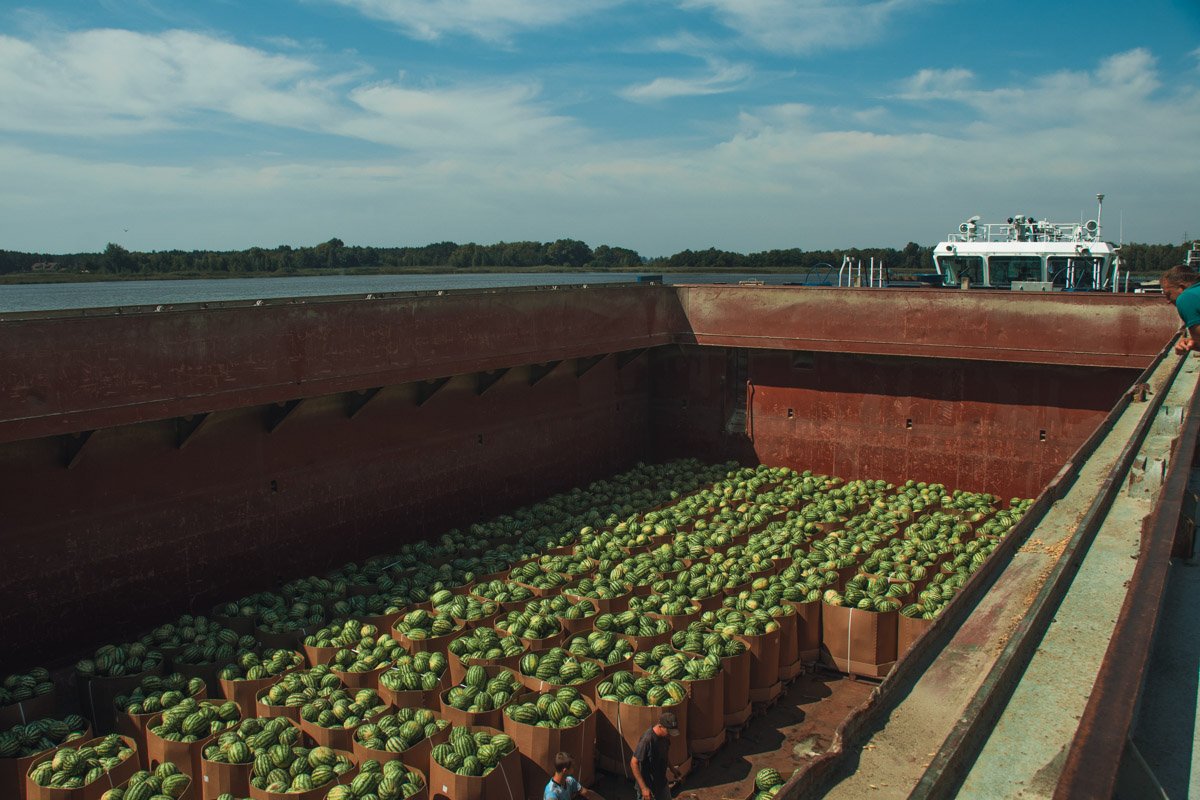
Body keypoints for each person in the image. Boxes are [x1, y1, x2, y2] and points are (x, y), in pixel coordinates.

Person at [630, 710, 681, 800]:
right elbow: (633, 763)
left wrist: (673, 769)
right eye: (669, 732)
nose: (670, 735)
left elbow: (664, 754)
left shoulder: (665, 737)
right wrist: (644, 788)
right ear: (660, 726)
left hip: (661, 783)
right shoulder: (647, 740)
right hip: (648, 786)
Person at [1161, 265, 1200, 355]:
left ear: (1181, 288)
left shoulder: (1186, 297)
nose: (1168, 301)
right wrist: (1193, 342)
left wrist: (1195, 342)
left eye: (1168, 294)